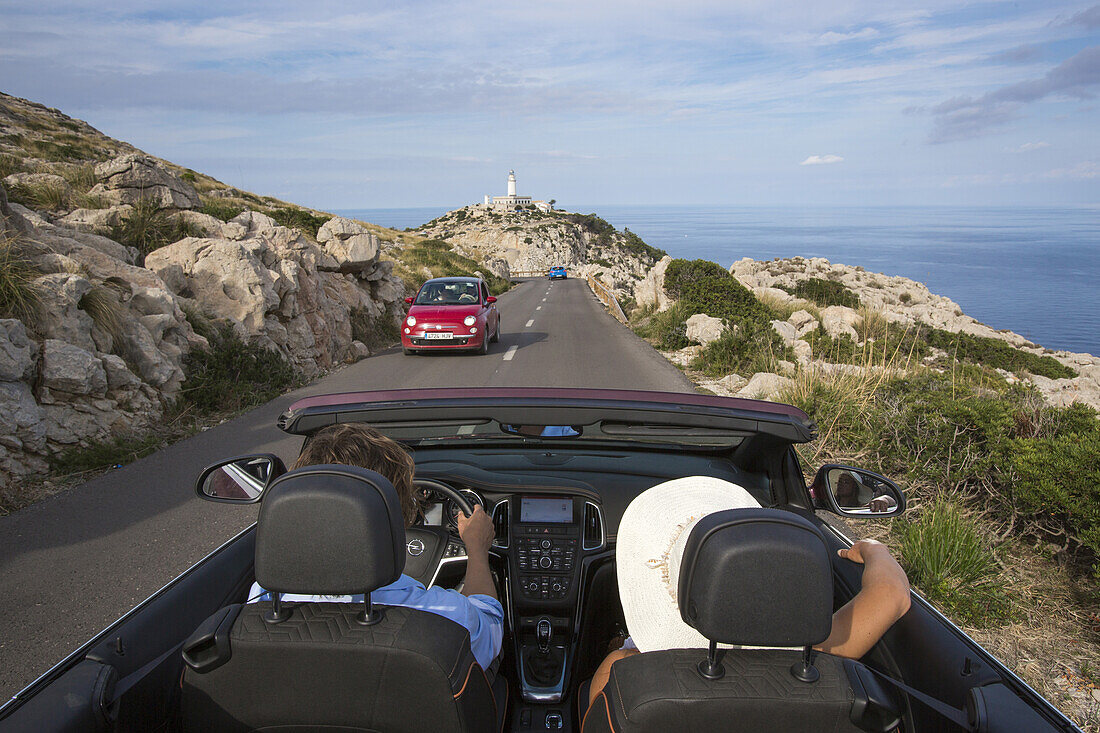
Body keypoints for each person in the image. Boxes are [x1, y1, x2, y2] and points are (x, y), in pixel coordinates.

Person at [586, 476, 911, 710]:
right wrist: (873, 547)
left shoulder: (621, 674)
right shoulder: (819, 651)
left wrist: (625, 646)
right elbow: (893, 595)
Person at [247, 423, 503, 673]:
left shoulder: (266, 602)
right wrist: (477, 549)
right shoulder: (438, 619)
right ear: (397, 514)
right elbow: (490, 627)